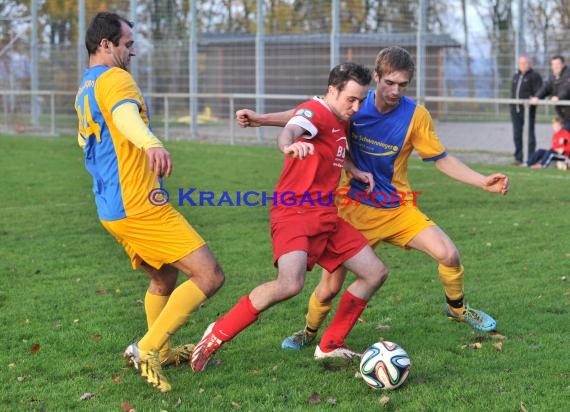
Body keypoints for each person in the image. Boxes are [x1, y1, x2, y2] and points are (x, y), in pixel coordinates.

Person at [235, 47, 510, 353]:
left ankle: (457, 308)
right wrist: (260, 119)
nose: (395, 91)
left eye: (402, 85)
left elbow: (441, 159)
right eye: (389, 82)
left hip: (397, 208)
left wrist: (481, 181)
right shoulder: (354, 105)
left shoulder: (416, 116)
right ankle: (309, 331)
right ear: (376, 77)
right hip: (352, 210)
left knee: (449, 254)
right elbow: (306, 114)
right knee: (328, 288)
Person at [190, 62, 390, 372]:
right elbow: (295, 126)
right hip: (294, 211)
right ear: (332, 91)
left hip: (325, 215)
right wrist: (288, 144)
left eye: (361, 99)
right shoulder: (317, 110)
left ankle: (330, 346)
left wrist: (354, 169)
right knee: (289, 284)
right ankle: (215, 334)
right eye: (351, 98)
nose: (357, 106)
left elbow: (304, 120)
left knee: (375, 272)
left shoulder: (337, 117)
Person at [74, 12, 225, 392]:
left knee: (164, 276)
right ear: (105, 44)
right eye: (127, 44)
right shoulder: (115, 78)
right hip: (139, 204)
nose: (133, 51)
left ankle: (165, 348)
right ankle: (147, 348)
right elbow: (126, 117)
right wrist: (151, 142)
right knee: (209, 275)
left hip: (111, 206)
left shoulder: (86, 86)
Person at [510, 56, 542, 165]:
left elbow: (539, 91)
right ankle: (518, 158)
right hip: (515, 110)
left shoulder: (535, 76)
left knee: (529, 135)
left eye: (525, 63)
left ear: (529, 64)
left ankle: (530, 158)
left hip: (528, 110)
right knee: (517, 135)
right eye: (521, 63)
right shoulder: (516, 76)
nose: (523, 65)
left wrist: (534, 98)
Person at [531, 55, 570, 131]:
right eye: (553, 64)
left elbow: (567, 88)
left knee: (564, 136)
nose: (555, 67)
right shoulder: (553, 77)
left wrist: (559, 97)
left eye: (557, 64)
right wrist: (537, 97)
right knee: (563, 137)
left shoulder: (568, 75)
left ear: (563, 64)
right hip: (564, 115)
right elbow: (545, 88)